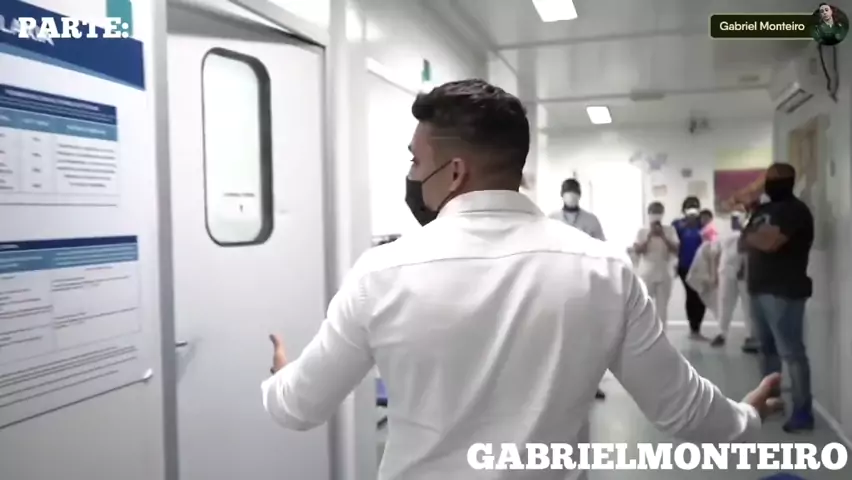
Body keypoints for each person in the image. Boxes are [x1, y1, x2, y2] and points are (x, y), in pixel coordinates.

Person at [261, 79, 781, 480]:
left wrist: (282, 375)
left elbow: (298, 406)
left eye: (417, 161)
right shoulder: (603, 270)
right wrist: (747, 418)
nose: (413, 175)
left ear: (455, 172)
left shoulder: (381, 273)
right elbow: (682, 409)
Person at [740, 163, 815, 433]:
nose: (768, 184)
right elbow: (748, 242)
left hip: (784, 292)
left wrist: (749, 233)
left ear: (788, 181)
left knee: (792, 353)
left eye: (773, 179)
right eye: (767, 179)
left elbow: (769, 243)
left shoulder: (795, 211)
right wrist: (751, 229)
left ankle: (803, 412)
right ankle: (771, 402)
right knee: (767, 351)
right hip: (759, 288)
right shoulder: (763, 210)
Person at [549, 178, 608, 400]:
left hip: (585, 283)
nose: (571, 195)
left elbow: (602, 248)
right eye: (568, 192)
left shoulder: (591, 221)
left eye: (574, 192)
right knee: (560, 336)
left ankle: (591, 384)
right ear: (562, 194)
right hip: (558, 282)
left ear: (580, 195)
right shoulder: (551, 219)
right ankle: (560, 384)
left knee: (588, 337)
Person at [711, 208, 759, 352]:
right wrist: (714, 274)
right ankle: (721, 333)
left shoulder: (750, 232)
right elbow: (715, 253)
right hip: (726, 271)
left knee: (748, 305)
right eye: (733, 218)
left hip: (745, 273)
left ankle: (750, 335)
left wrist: (744, 267)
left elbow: (749, 251)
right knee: (724, 302)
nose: (735, 220)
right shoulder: (723, 233)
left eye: (738, 217)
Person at [632, 201, 679, 330]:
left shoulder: (670, 230)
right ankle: (643, 334)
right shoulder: (642, 231)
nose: (656, 214)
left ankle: (661, 335)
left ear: (662, 214)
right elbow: (637, 250)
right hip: (647, 273)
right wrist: (649, 236)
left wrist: (663, 236)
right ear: (649, 213)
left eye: (659, 212)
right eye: (654, 212)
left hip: (664, 272)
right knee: (644, 306)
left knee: (662, 308)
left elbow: (676, 249)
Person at [672, 197, 707, 338]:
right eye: (689, 207)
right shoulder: (677, 225)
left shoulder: (703, 224)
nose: (692, 209)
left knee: (701, 296)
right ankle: (694, 328)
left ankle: (697, 327)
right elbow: (674, 245)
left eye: (695, 206)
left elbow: (712, 242)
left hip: (701, 266)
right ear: (684, 210)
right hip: (684, 265)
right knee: (691, 294)